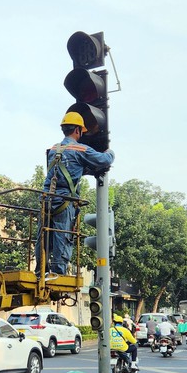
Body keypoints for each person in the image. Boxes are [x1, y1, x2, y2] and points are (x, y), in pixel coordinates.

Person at [36, 111, 115, 276]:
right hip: (64, 201)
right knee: (62, 235)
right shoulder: (80, 149)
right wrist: (110, 152)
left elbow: (69, 167)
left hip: (46, 199)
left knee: (43, 234)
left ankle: (40, 269)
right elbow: (104, 160)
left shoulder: (52, 150)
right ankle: (58, 272)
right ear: (78, 130)